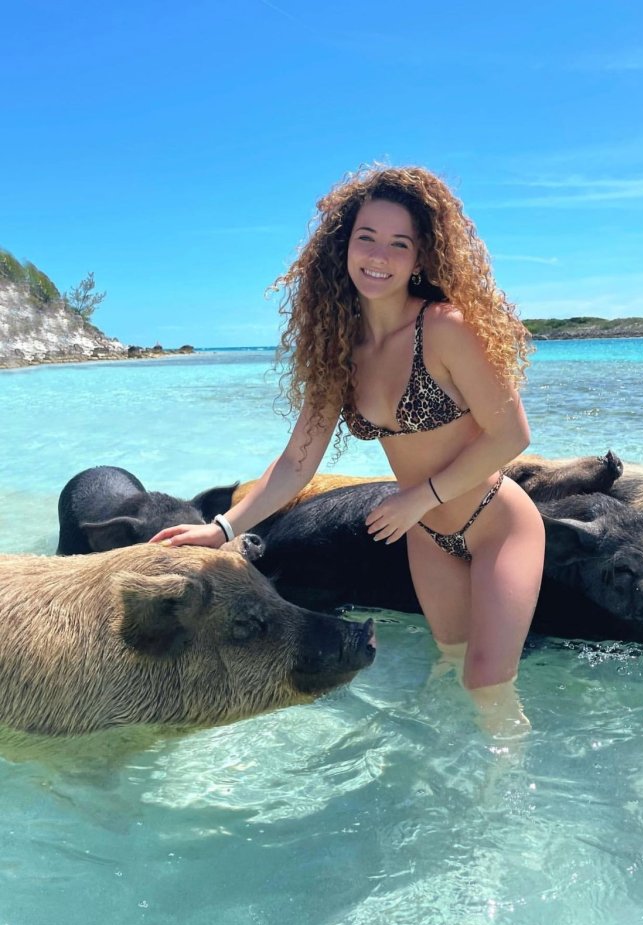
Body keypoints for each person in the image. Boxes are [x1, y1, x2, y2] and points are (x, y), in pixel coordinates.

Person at [151, 165, 545, 732]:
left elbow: (512, 435)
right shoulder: (341, 348)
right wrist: (223, 530)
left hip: (495, 522)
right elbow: (296, 464)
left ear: (420, 257)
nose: (379, 255)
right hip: (427, 536)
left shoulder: (443, 327)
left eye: (398, 243)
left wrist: (419, 498)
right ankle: (452, 791)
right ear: (344, 245)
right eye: (367, 238)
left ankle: (506, 801)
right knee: (452, 666)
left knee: (487, 683)